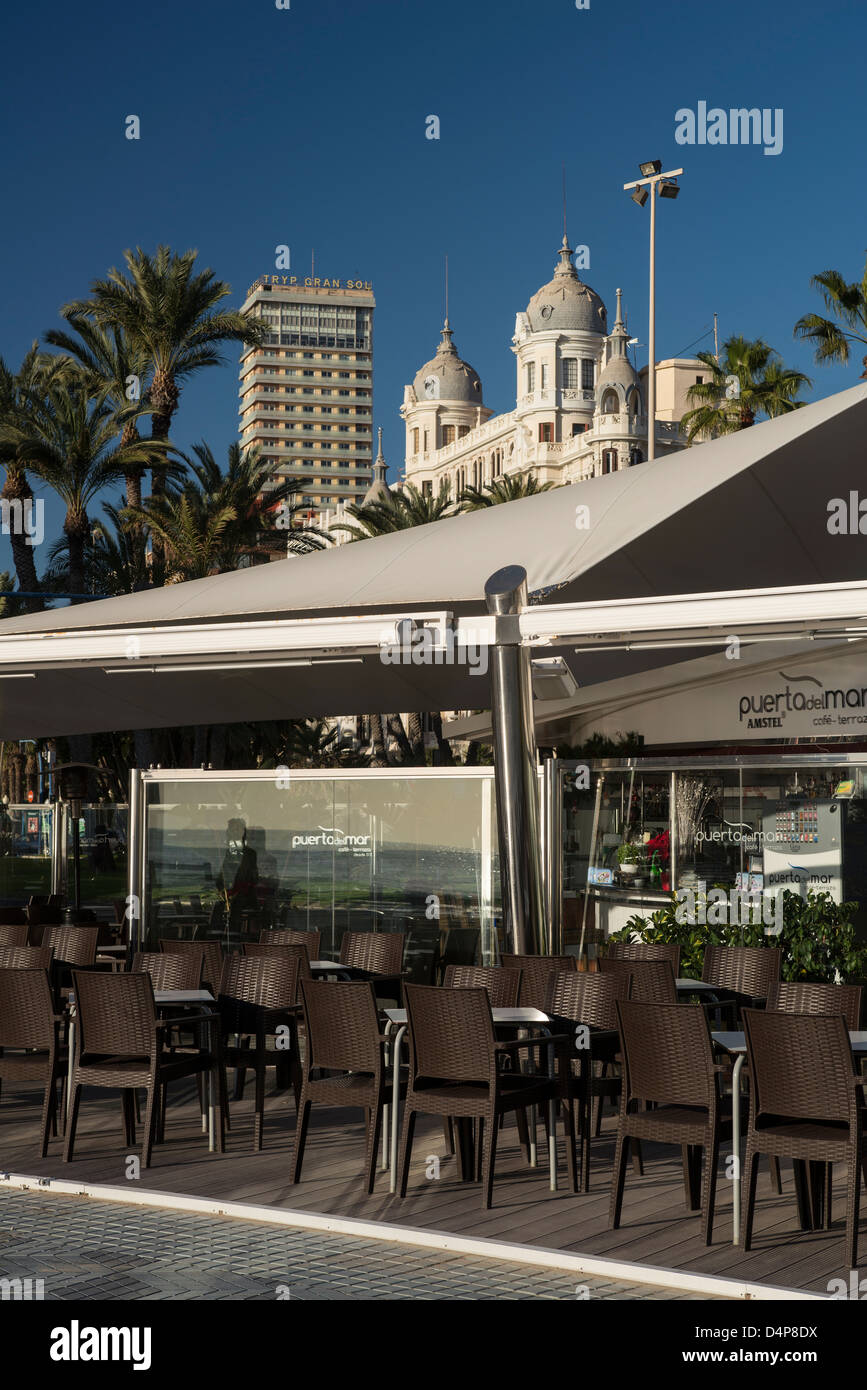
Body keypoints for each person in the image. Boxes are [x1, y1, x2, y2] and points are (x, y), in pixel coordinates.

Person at [217, 818, 259, 934]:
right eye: (232, 830)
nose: (235, 833)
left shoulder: (250, 854)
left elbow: (253, 878)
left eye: (238, 829)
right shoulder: (224, 852)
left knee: (237, 903)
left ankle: (232, 934)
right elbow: (220, 877)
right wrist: (223, 891)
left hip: (242, 896)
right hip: (226, 894)